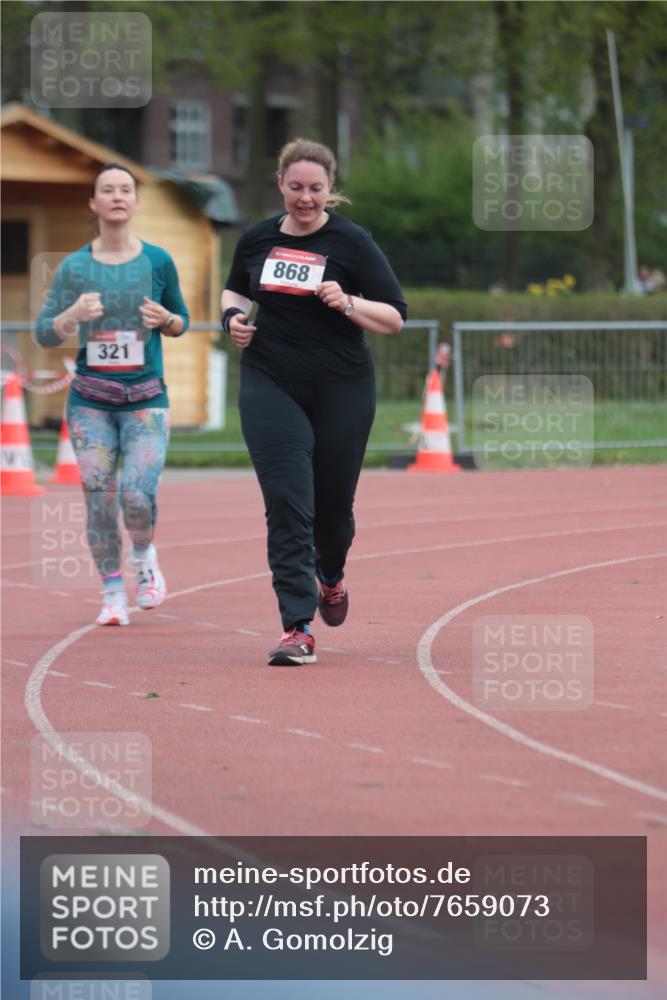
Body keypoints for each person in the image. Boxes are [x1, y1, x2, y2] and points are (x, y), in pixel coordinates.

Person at [221, 137, 406, 666]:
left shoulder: (352, 241)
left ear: (330, 189)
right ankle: (297, 628)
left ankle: (331, 573)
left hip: (341, 387)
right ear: (280, 184)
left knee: (332, 516)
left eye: (316, 188)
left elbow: (395, 316)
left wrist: (347, 301)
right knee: (287, 502)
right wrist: (232, 320)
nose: (305, 198)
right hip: (270, 380)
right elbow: (234, 290)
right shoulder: (257, 238)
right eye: (296, 187)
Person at [35, 163, 189, 626]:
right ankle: (111, 593)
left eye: (126, 189)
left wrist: (165, 320)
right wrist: (72, 315)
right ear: (94, 203)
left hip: (146, 400)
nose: (118, 196)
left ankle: (143, 557)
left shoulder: (158, 261)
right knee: (100, 500)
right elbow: (44, 332)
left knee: (137, 496)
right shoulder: (75, 267)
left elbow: (181, 321)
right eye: (108, 190)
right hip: (91, 403)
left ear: (136, 202)